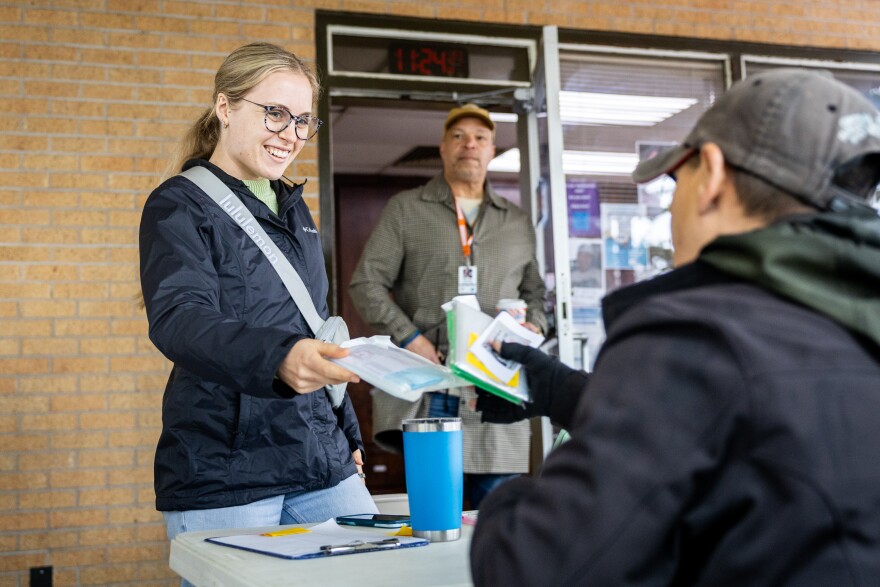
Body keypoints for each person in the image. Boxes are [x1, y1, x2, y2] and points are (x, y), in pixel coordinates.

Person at [470, 69, 880, 585]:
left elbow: (533, 568)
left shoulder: (694, 337)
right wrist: (567, 391)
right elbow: (770, 425)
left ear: (708, 175)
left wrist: (511, 499)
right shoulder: (852, 321)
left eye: (676, 179)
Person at [139, 42, 377, 580]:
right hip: (227, 467)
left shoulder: (295, 209)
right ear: (225, 107)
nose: (290, 134)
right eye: (274, 113)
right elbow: (179, 317)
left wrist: (347, 436)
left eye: (302, 120)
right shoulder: (179, 204)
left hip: (320, 457)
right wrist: (280, 356)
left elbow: (313, 329)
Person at [348, 103, 548, 508]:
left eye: (480, 138)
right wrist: (411, 338)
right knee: (436, 517)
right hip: (433, 383)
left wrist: (536, 328)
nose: (469, 145)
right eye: (458, 137)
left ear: (493, 151)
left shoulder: (517, 221)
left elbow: (537, 295)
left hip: (498, 387)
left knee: (496, 523)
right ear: (442, 148)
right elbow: (366, 282)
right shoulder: (406, 208)